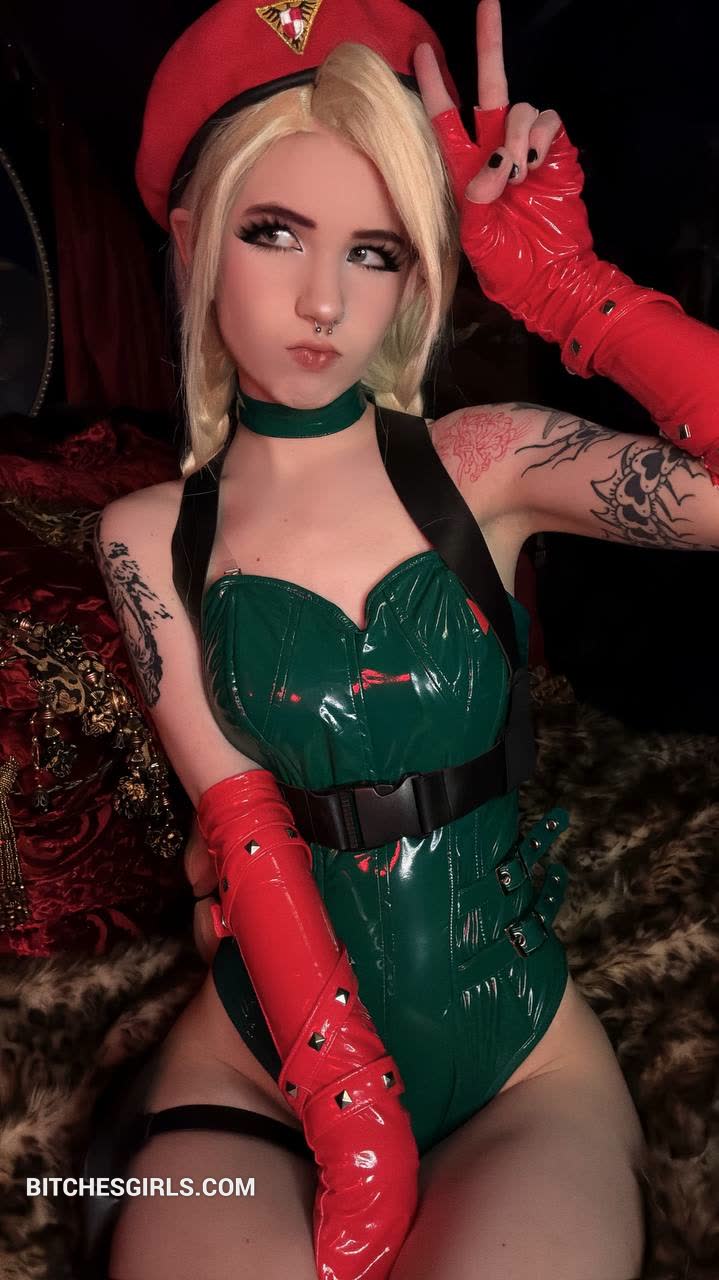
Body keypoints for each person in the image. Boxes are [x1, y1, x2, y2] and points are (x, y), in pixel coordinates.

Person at [92, 0, 719, 1276]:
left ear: (416, 272)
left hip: (516, 1063)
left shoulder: (482, 461)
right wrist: (351, 1118)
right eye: (274, 231)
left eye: (373, 250)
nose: (325, 297)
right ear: (193, 240)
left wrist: (578, 296)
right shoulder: (147, 533)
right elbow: (245, 823)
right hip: (260, 1073)